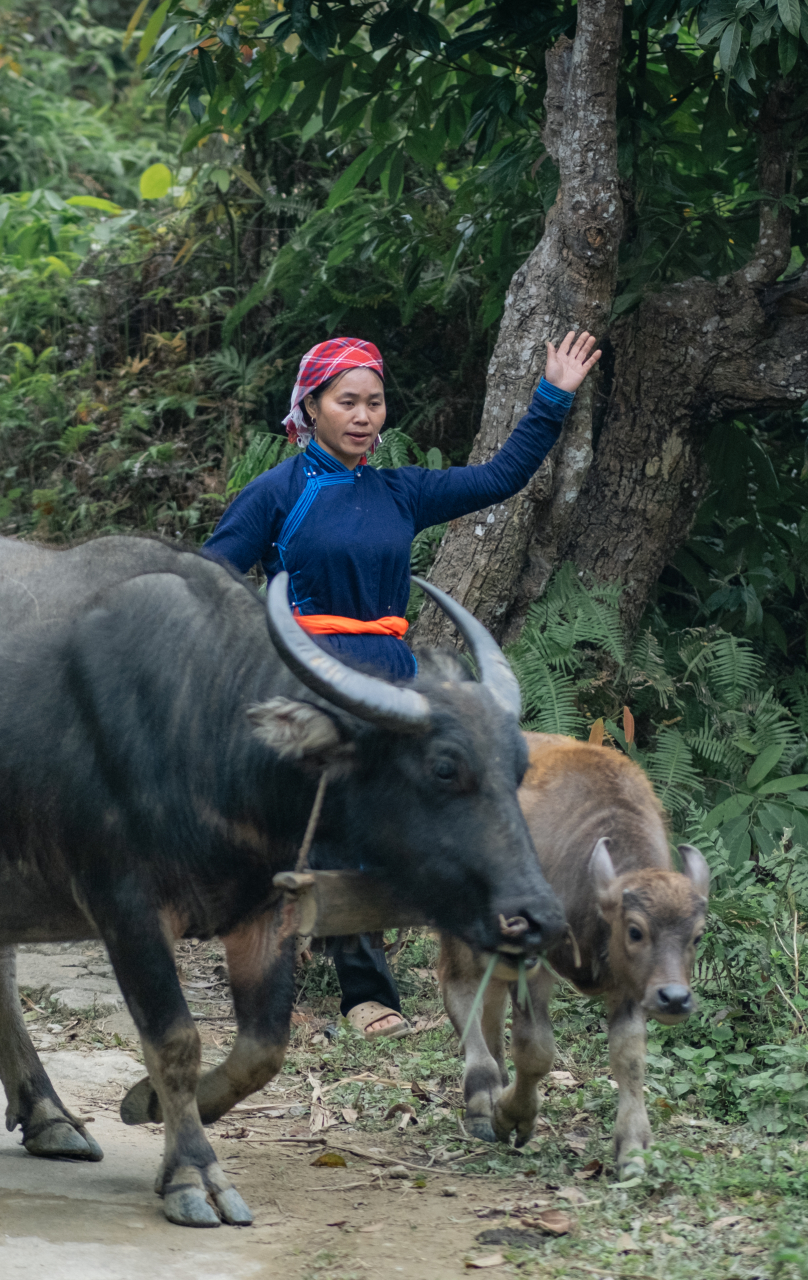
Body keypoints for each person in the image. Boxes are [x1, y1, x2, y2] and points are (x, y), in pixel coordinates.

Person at [202, 330, 603, 1038]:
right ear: (312, 407)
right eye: (347, 402)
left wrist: (554, 396)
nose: (363, 417)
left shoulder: (401, 489)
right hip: (308, 677)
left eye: (375, 403)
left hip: (393, 682)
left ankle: (369, 993)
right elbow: (209, 580)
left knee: (382, 829)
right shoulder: (276, 494)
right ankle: (293, 990)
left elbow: (501, 477)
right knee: (299, 831)